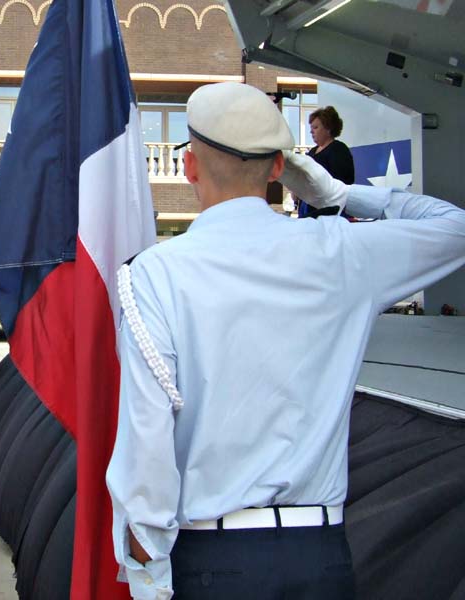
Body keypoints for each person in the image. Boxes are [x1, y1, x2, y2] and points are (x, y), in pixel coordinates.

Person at [106, 81, 465, 600]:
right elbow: (454, 227)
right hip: (320, 557)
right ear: (280, 170)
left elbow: (147, 444)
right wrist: (339, 195)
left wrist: (148, 575)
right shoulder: (340, 253)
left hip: (210, 558)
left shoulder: (156, 274)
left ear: (189, 168)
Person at [298, 105, 355, 218]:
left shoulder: (338, 149)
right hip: (308, 207)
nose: (311, 131)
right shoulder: (312, 151)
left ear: (328, 128)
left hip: (327, 210)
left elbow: (342, 181)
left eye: (315, 127)